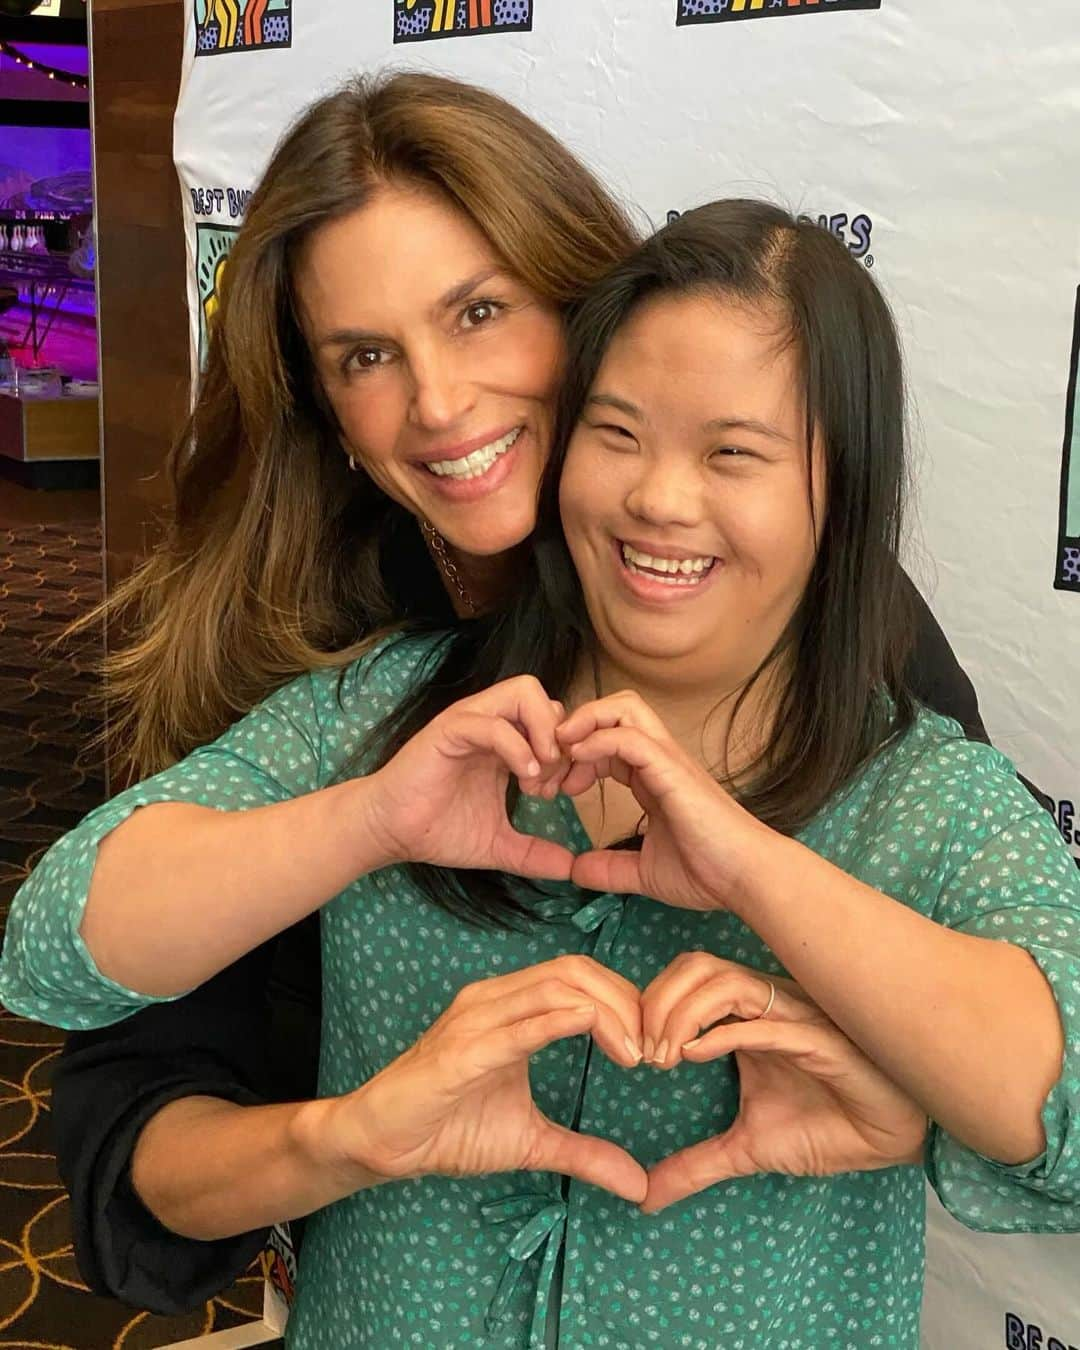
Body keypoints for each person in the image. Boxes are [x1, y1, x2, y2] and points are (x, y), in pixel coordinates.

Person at [3, 200, 1077, 1349]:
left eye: (733, 453)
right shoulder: (396, 715)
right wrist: (370, 822)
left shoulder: (921, 788)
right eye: (616, 434)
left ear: (840, 490)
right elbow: (50, 952)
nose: (659, 498)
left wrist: (756, 870)